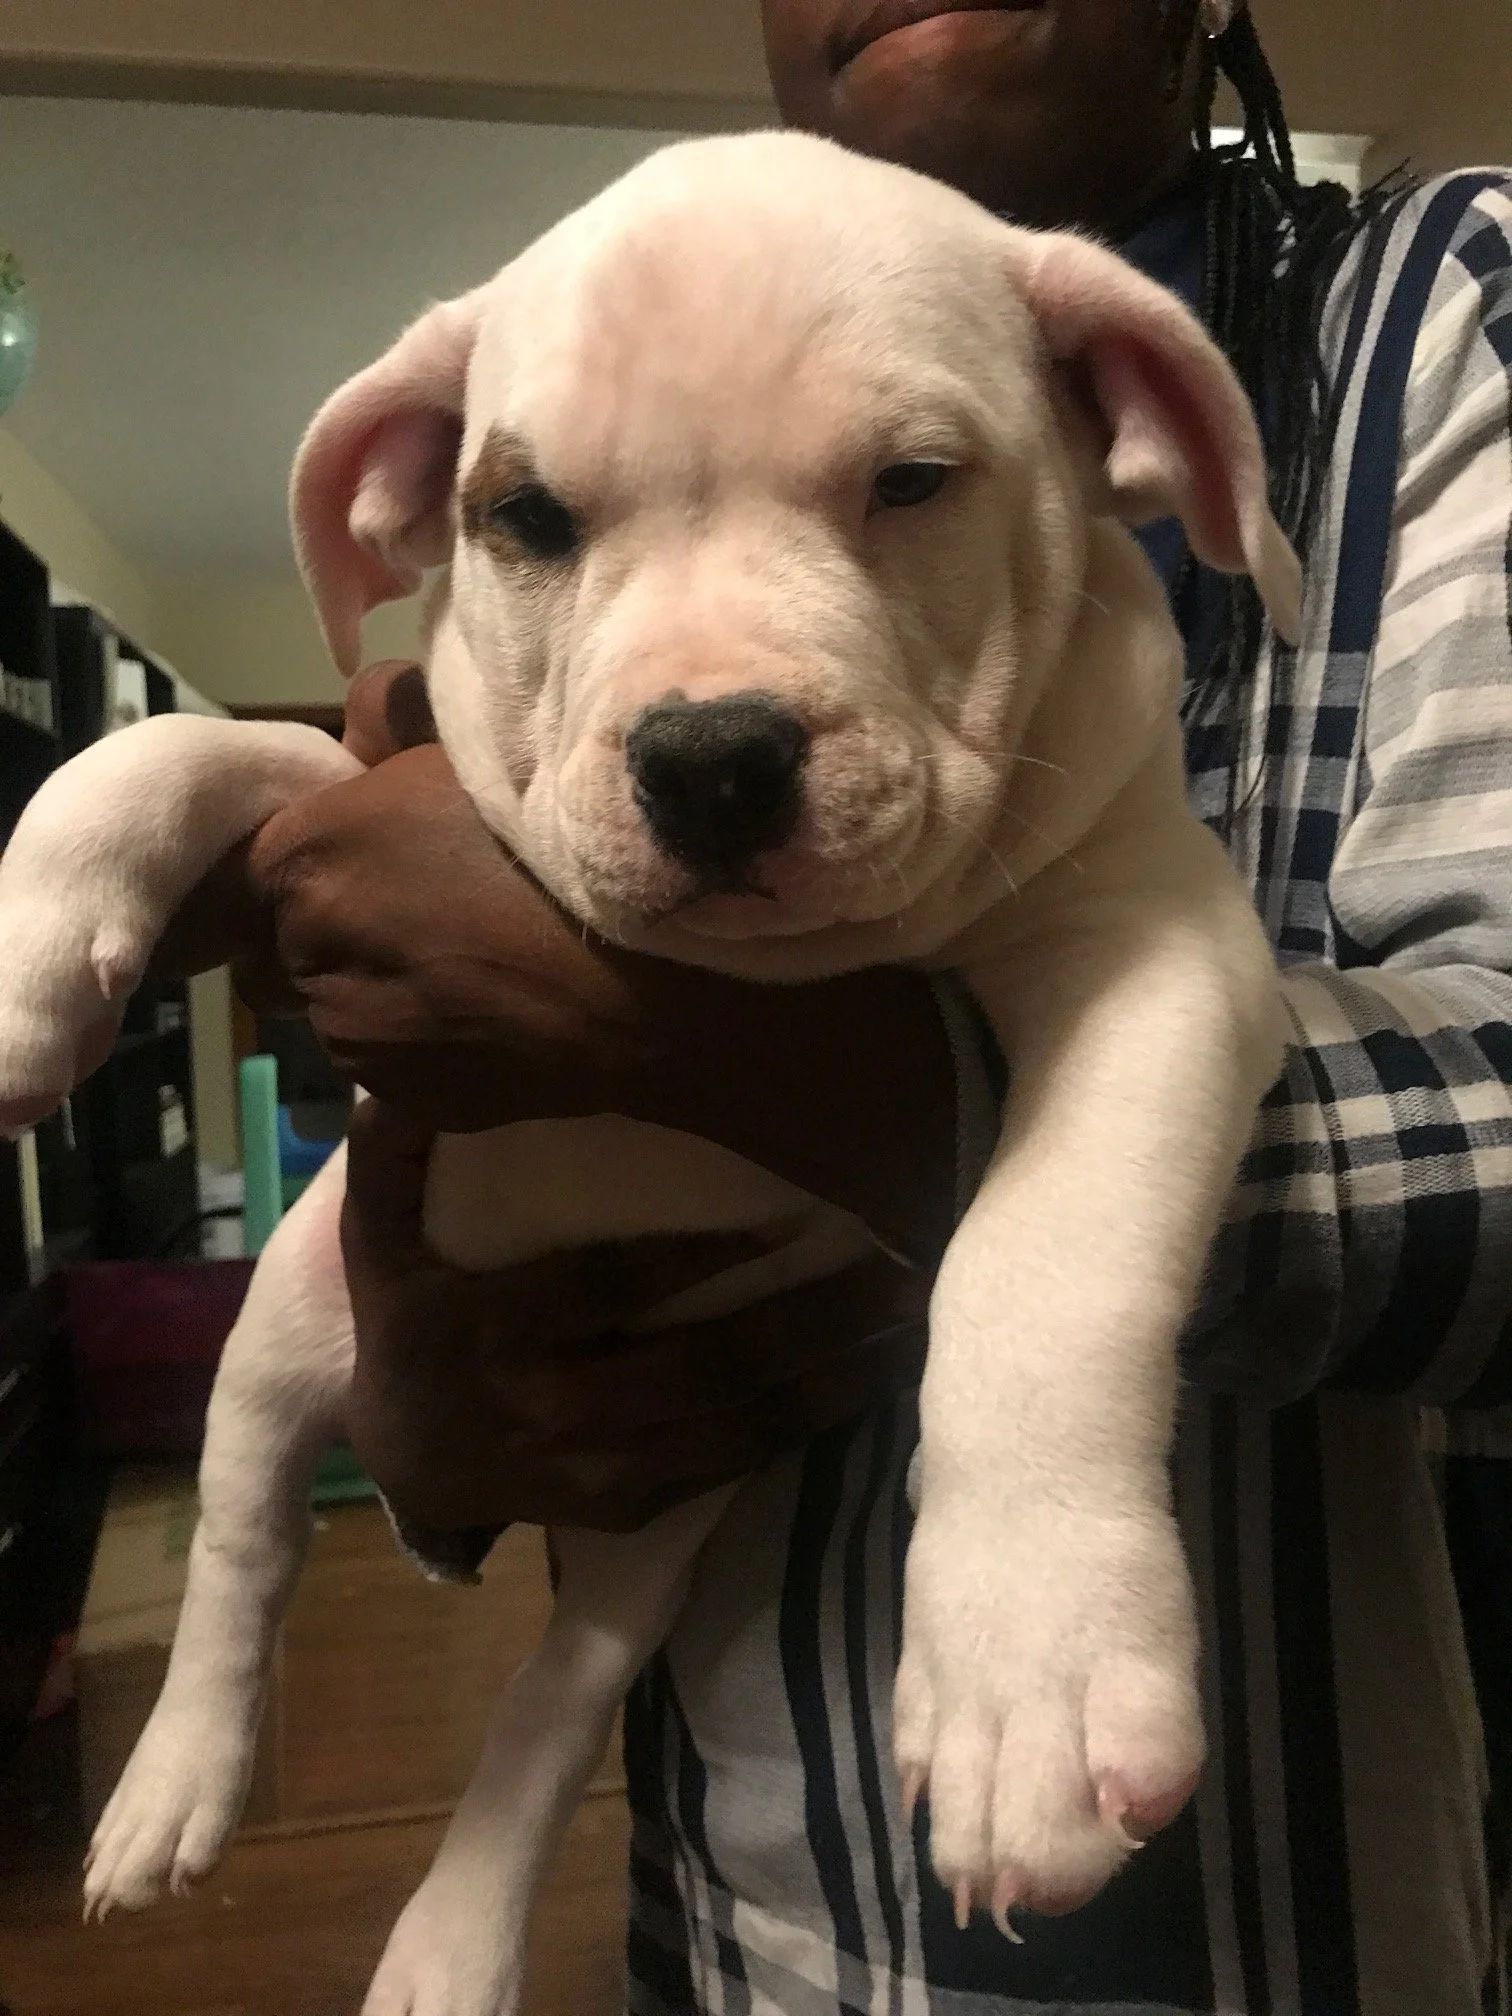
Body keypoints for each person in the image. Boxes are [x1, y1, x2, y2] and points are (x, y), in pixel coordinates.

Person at [165, 1, 1512, 2008]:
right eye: (545, 518)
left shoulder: (1441, 308)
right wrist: (437, 1422)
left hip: (1301, 1917)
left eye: (902, 477)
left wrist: (733, 1054)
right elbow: (490, 1366)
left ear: (1147, 427)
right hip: (737, 1903)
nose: (711, 705)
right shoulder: (597, 308)